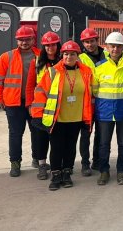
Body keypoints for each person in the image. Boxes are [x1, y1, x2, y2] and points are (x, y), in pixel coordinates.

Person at [31, 41, 94, 191]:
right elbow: (40, 94)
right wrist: (38, 115)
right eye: (66, 54)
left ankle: (67, 173)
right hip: (57, 118)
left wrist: (88, 117)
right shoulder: (53, 72)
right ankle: (56, 175)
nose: (69, 57)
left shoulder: (86, 72)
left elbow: (90, 95)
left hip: (76, 117)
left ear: (78, 56)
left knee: (70, 148)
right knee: (57, 147)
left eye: (72, 54)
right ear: (62, 55)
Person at [0, 26, 40, 177]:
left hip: (35, 102)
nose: (24, 42)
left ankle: (37, 158)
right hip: (14, 103)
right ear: (17, 40)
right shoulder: (7, 57)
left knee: (37, 132)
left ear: (33, 39)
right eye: (21, 39)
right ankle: (15, 162)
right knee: (15, 134)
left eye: (28, 39)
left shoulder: (41, 55)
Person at [93, 31, 123, 186]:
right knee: (104, 144)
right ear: (107, 47)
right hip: (105, 112)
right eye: (112, 46)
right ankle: (104, 171)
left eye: (118, 46)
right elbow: (94, 90)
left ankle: (121, 171)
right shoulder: (99, 67)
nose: (115, 49)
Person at [26, 31, 61, 180]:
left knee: (57, 139)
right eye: (47, 45)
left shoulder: (64, 60)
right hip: (41, 108)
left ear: (57, 45)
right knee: (40, 138)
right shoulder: (37, 62)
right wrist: (29, 104)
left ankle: (57, 166)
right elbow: (29, 85)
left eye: (52, 44)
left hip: (59, 108)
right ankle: (41, 165)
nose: (50, 48)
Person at [78, 28, 106, 176]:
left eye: (92, 41)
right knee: (86, 134)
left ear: (97, 40)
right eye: (87, 42)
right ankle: (85, 164)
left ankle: (97, 160)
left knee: (101, 135)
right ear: (83, 43)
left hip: (103, 101)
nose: (90, 44)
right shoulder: (80, 58)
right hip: (87, 102)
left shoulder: (107, 54)